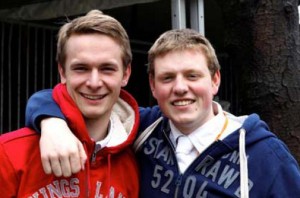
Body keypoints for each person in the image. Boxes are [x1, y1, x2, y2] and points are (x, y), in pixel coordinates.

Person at [25, 29, 300, 197]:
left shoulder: (265, 155)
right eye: (167, 78)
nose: (180, 88)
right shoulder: (141, 128)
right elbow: (58, 97)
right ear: (153, 86)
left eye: (192, 75)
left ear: (215, 80)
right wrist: (52, 124)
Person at [0, 10, 140, 197]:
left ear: (126, 74)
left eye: (107, 69)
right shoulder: (9, 153)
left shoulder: (133, 164)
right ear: (63, 72)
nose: (94, 82)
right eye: (81, 68)